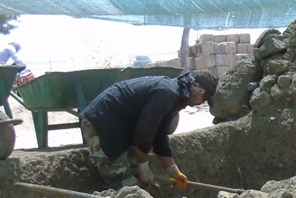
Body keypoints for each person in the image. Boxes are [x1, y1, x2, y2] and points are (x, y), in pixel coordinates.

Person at [80, 70, 217, 189]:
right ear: (196, 89)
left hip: (119, 130)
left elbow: (160, 136)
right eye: (204, 98)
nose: (202, 102)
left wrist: (173, 170)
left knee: (139, 184)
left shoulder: (174, 96)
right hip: (102, 125)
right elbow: (144, 132)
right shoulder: (167, 93)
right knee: (127, 187)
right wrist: (144, 167)